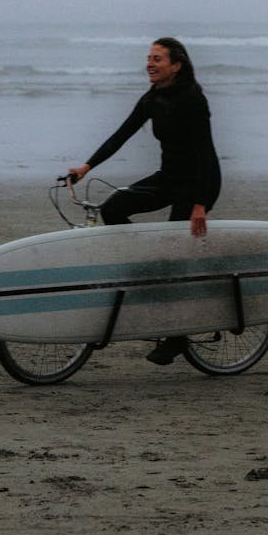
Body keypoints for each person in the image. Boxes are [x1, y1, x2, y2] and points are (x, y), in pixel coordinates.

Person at [67, 37, 221, 366]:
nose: (150, 63)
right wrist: (86, 167)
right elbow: (121, 134)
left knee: (173, 253)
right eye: (148, 57)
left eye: (158, 58)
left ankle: (177, 337)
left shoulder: (193, 99)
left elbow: (205, 153)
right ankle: (146, 265)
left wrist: (200, 204)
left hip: (197, 183)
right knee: (112, 208)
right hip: (168, 177)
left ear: (176, 65)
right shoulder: (153, 98)